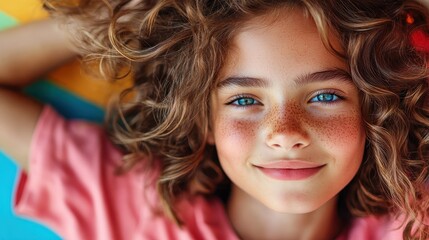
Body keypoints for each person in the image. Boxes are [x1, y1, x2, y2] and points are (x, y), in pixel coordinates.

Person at [1, 0, 428, 239]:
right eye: (244, 101)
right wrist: (124, 14)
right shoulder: (132, 213)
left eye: (326, 95)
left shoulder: (417, 219)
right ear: (201, 118)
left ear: (371, 112)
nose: (284, 134)